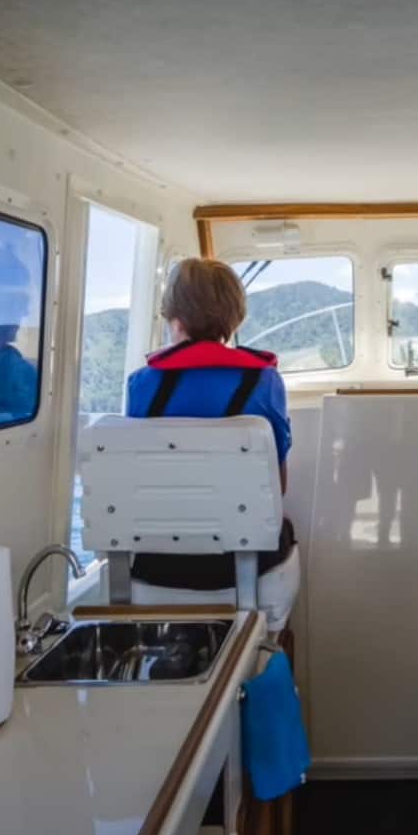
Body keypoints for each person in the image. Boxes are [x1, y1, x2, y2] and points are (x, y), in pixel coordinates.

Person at [124, 257, 299, 630]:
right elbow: (277, 488)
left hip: (158, 567)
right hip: (244, 566)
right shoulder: (265, 383)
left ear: (174, 316)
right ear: (234, 317)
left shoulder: (140, 385)